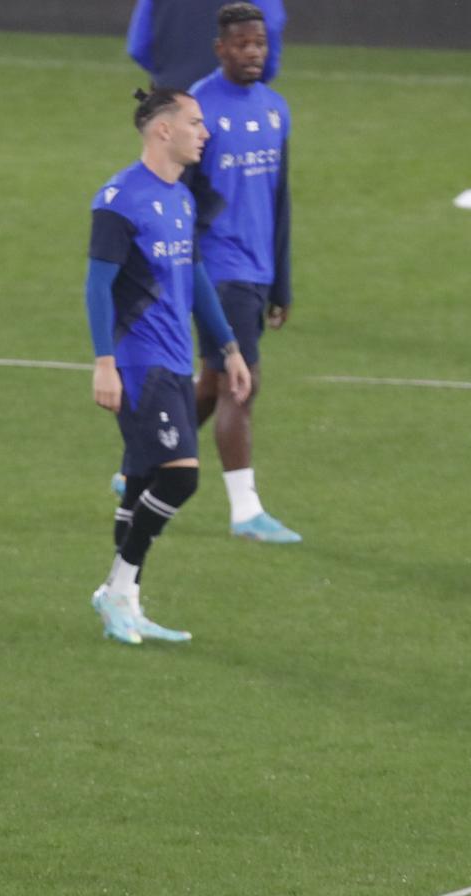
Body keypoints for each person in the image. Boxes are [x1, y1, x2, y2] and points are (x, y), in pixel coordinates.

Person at [87, 87, 252, 646]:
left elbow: (198, 280)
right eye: (196, 123)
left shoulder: (180, 197)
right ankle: (116, 591)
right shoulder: (118, 199)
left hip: (177, 360)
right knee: (180, 476)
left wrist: (228, 349)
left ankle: (123, 602)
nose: (205, 133)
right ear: (163, 129)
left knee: (139, 483)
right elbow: (96, 287)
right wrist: (104, 363)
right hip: (138, 363)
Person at [187, 4, 299, 543]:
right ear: (220, 49)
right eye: (242, 43)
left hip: (256, 269)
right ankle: (244, 510)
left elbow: (280, 202)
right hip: (217, 268)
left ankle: (139, 466)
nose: (254, 52)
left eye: (260, 43)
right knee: (240, 384)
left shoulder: (277, 110)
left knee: (212, 382)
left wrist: (281, 284)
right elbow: (176, 193)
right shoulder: (198, 108)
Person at [127, 0, 284, 92]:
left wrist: (169, 75)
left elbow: (139, 46)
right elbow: (270, 26)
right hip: (234, 96)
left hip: (172, 100)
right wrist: (256, 74)